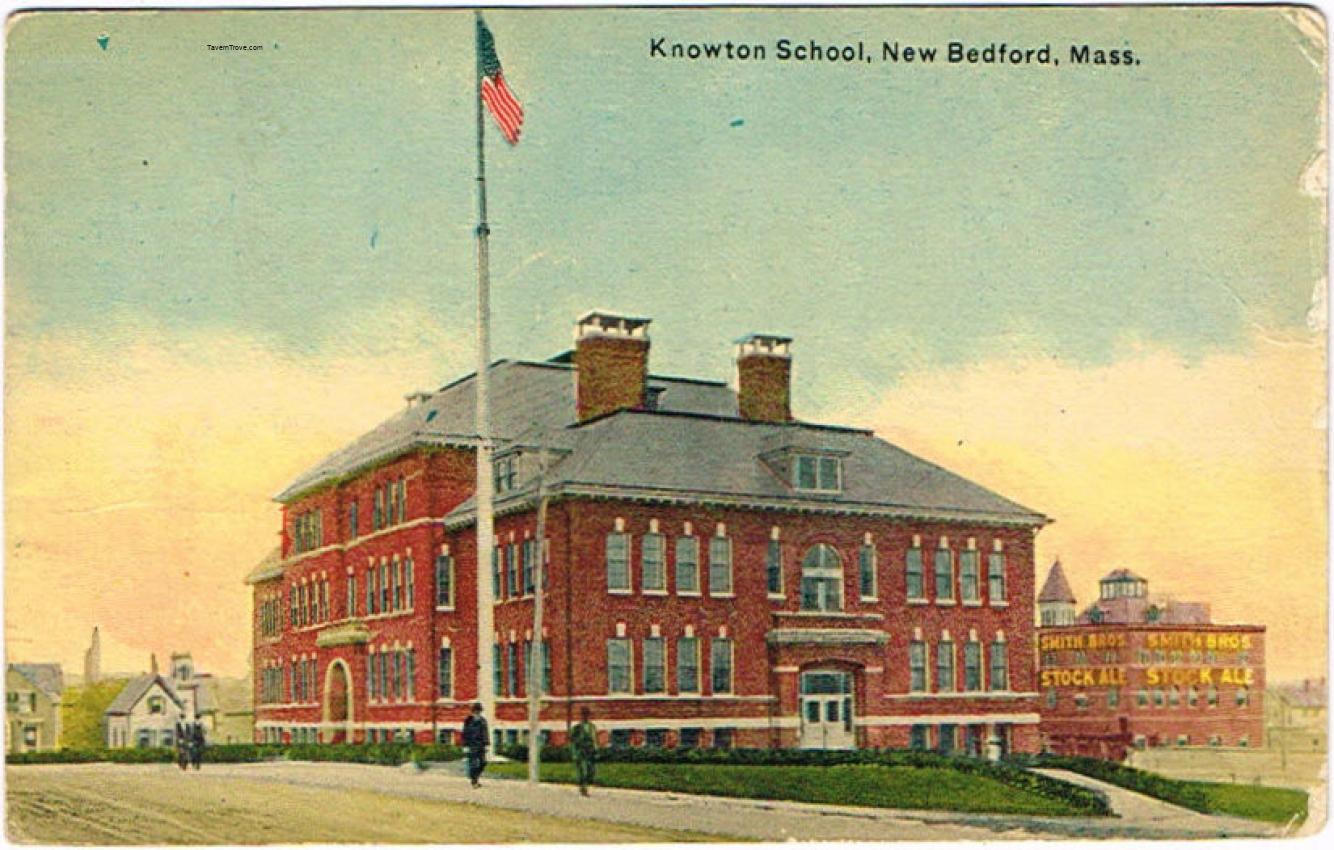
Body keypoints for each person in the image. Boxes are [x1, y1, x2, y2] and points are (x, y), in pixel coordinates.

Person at [570, 707, 598, 797]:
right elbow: (572, 741)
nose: (585, 716)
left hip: (590, 752)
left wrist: (596, 749)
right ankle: (583, 788)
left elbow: (594, 739)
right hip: (580, 752)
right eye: (584, 715)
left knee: (591, 771)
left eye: (587, 714)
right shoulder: (577, 728)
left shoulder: (592, 727)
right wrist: (574, 753)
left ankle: (585, 785)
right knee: (583, 771)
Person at [461, 703, 489, 788]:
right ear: (473, 712)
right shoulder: (468, 720)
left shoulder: (483, 721)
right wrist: (465, 745)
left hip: (481, 745)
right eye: (476, 712)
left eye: (479, 712)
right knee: (473, 764)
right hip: (472, 745)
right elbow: (465, 733)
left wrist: (486, 743)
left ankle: (475, 777)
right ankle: (474, 781)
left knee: (483, 763)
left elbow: (485, 733)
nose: (477, 713)